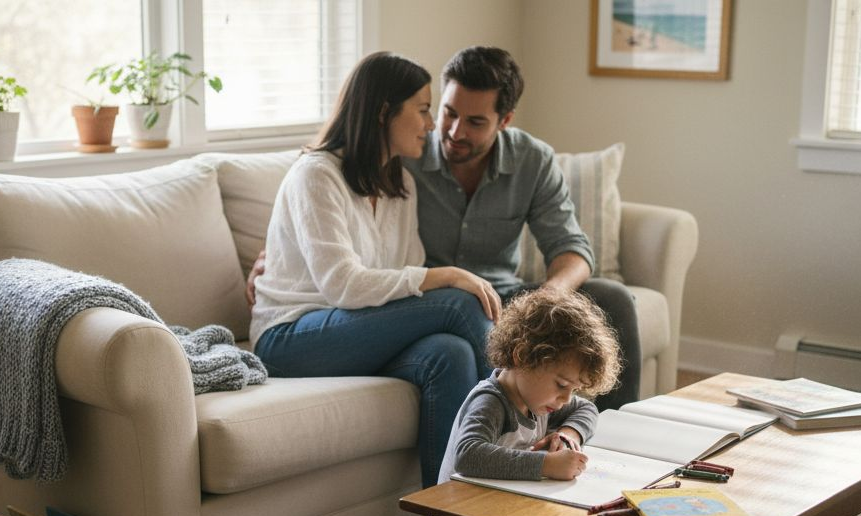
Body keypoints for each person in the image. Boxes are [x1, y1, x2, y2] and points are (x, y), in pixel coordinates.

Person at [249, 46, 642, 411]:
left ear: (504, 121)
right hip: (431, 304)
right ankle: (517, 429)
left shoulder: (405, 178)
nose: (450, 131)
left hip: (493, 300)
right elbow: (329, 254)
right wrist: (273, 259)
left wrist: (543, 303)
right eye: (444, 112)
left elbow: (570, 246)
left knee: (606, 302)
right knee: (460, 303)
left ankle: (605, 437)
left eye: (474, 122)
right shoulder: (401, 159)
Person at [249, 51, 500, 488]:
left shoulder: (401, 184)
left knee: (450, 354)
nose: (430, 125)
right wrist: (447, 275)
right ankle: (518, 440)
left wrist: (432, 279)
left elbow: (404, 274)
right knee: (459, 302)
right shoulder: (316, 175)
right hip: (290, 336)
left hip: (359, 330)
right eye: (423, 110)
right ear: (384, 112)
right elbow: (343, 285)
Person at [408, 288, 622, 516]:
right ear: (523, 357)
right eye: (562, 385)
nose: (564, 398)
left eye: (572, 388)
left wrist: (567, 433)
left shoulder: (539, 399)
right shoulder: (491, 402)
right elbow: (470, 455)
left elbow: (586, 411)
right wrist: (545, 466)